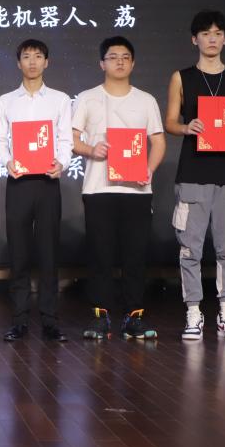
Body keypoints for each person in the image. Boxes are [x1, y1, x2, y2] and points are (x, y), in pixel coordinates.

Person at [164, 10, 225, 341]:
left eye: (217, 33)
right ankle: (193, 311)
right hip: (193, 172)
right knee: (191, 247)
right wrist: (187, 127)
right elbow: (170, 122)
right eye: (205, 33)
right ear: (194, 39)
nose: (212, 39)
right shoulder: (181, 77)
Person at [72, 36, 166, 341]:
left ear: (133, 63)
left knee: (135, 256)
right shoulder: (87, 98)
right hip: (98, 189)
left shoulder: (146, 100)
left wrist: (148, 169)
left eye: (125, 57)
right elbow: (71, 139)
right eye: (113, 57)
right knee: (100, 254)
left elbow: (158, 141)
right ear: (102, 63)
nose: (120, 62)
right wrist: (91, 150)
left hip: (136, 190)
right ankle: (100, 317)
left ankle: (133, 316)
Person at [0, 39, 73, 342]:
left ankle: (50, 320)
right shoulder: (5, 101)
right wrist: (7, 161)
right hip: (19, 181)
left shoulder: (60, 100)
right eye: (27, 57)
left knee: (49, 252)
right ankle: (20, 320)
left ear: (46, 62)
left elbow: (65, 139)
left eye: (38, 56)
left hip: (48, 181)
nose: (33, 62)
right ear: (19, 63)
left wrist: (61, 162)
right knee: (19, 253)